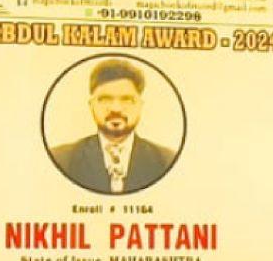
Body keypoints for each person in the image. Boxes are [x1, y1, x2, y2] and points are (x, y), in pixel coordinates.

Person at [49, 58, 177, 195]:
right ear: (91, 105)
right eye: (105, 99)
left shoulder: (167, 161)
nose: (116, 108)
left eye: (127, 99)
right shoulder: (61, 159)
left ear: (140, 106)